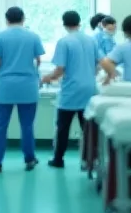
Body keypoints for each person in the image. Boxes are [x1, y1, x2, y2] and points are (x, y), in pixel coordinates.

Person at [0, 7, 45, 173]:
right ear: (23, 18)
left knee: (0, 125)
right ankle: (30, 159)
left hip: (5, 87)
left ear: (6, 19)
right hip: (28, 87)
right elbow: (38, 61)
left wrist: (1, 67)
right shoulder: (33, 37)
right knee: (27, 126)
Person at [42, 10, 100, 168]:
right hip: (89, 88)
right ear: (79, 22)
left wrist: (46, 78)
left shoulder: (64, 42)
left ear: (64, 24)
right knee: (87, 128)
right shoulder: (91, 40)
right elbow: (98, 64)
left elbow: (60, 69)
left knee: (63, 128)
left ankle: (58, 159)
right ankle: (89, 161)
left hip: (71, 90)